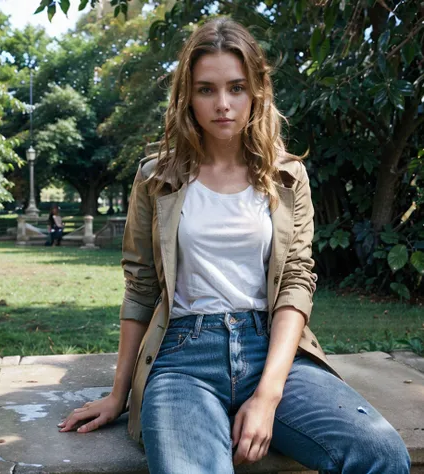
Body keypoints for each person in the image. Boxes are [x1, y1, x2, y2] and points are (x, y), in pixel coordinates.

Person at [58, 18, 410, 473]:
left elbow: (296, 283)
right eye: (206, 89)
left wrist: (267, 395)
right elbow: (141, 286)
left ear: (256, 91)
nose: (222, 104)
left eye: (236, 88)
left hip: (272, 349)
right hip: (184, 357)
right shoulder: (155, 178)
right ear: (188, 95)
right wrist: (118, 392)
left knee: (381, 453)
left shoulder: (286, 177)